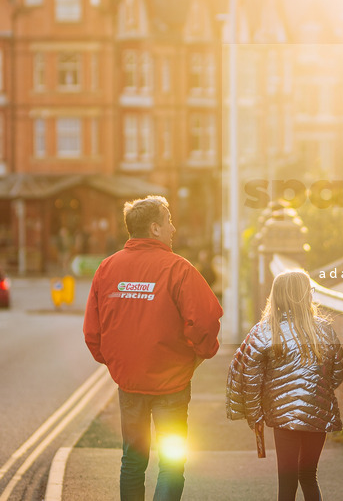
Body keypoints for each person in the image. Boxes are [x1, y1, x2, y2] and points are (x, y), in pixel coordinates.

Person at [83, 195, 223, 501]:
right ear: (155, 228)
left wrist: (121, 364)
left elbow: (93, 333)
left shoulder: (107, 269)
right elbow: (206, 321)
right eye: (169, 221)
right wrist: (198, 356)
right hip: (171, 385)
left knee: (132, 461)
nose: (174, 228)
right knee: (171, 465)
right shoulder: (178, 269)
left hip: (130, 386)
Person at [226, 269, 343, 501]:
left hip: (283, 416)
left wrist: (255, 415)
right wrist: (319, 392)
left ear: (277, 296)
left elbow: (250, 378)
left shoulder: (264, 331)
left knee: (287, 479)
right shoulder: (324, 330)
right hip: (318, 414)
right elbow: (338, 370)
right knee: (309, 474)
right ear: (306, 295)